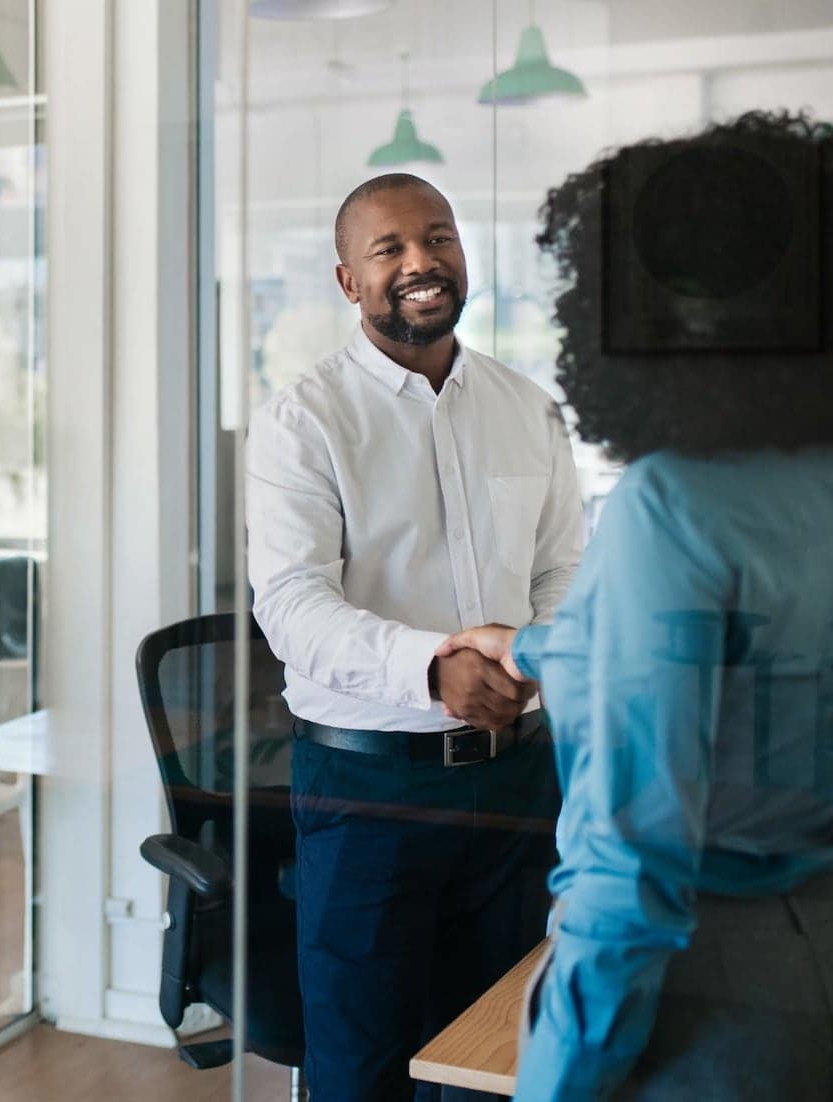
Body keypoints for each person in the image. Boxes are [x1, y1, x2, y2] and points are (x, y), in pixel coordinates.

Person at [437, 111, 833, 1100]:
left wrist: (556, 1078)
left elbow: (630, 867)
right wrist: (534, 646)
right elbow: (741, 666)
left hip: (705, 1007)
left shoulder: (670, 504)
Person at [245, 172, 584, 1101]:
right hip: (369, 795)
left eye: (437, 238)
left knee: (504, 1059)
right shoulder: (302, 422)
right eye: (389, 248)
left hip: (518, 781)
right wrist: (434, 671)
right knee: (363, 1074)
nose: (421, 262)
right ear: (349, 281)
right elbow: (291, 604)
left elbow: (566, 572)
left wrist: (526, 655)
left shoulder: (529, 407)